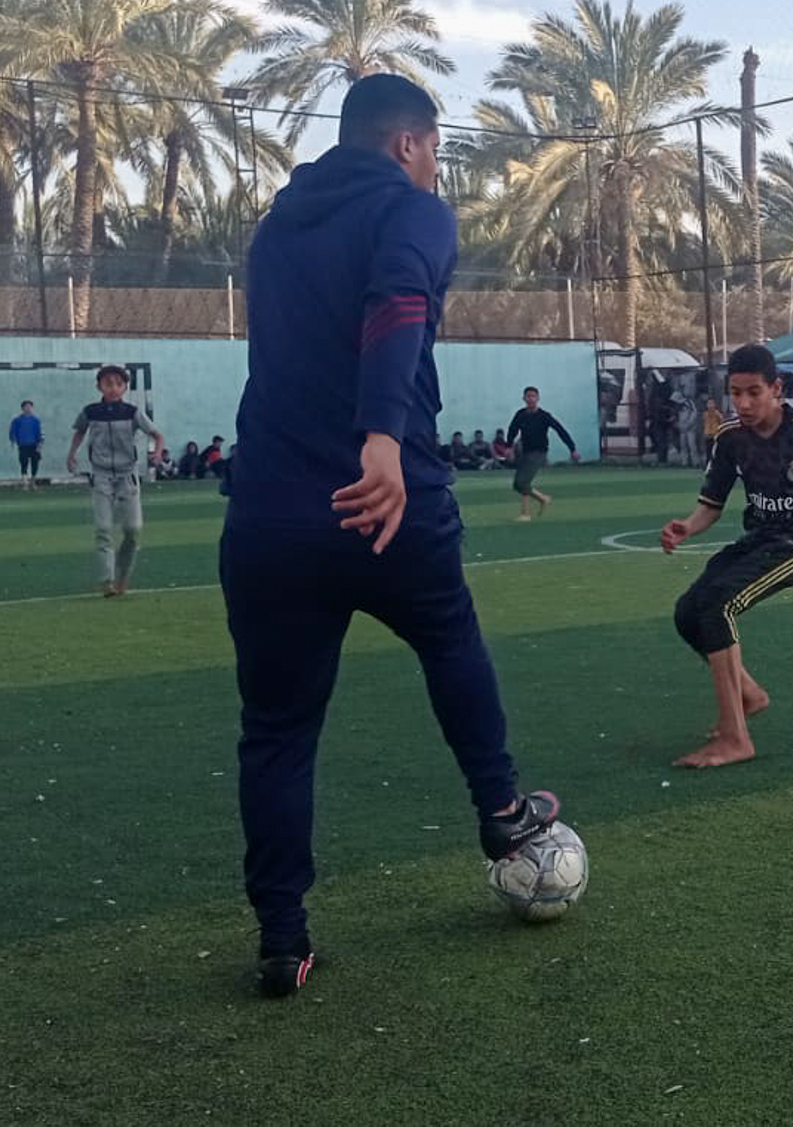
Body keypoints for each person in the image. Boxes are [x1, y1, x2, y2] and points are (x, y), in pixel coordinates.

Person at [221, 73, 558, 998]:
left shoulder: (277, 225)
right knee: (449, 636)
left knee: (277, 730)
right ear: (409, 144)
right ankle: (501, 810)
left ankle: (281, 937)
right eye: (435, 152)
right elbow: (397, 303)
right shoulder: (414, 210)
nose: (436, 168)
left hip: (269, 512)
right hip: (383, 497)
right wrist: (379, 438)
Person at [661, 343, 793, 769]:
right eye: (736, 393)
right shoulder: (730, 437)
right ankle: (749, 694)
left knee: (717, 605)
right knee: (687, 612)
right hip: (760, 538)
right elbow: (712, 502)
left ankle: (735, 739)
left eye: (753, 392)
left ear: (776, 388)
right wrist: (687, 526)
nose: (743, 403)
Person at [65, 365, 166, 598]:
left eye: (118, 384)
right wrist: (72, 454)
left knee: (132, 529)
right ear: (99, 386)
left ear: (124, 388)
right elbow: (79, 431)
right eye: (108, 383)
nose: (113, 388)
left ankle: (122, 575)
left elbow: (156, 434)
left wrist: (158, 452)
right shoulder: (90, 412)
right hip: (100, 476)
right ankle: (107, 581)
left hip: (127, 476)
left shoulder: (132, 412)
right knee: (102, 528)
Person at [505, 386, 580, 520]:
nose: (531, 399)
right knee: (519, 484)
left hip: (539, 452)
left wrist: (572, 448)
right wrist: (509, 446)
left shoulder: (544, 416)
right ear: (524, 398)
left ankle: (527, 513)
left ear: (538, 398)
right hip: (525, 452)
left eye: (533, 396)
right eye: (528, 396)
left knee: (522, 482)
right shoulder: (520, 414)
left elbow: (560, 430)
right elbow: (512, 430)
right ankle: (540, 500)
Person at [9, 400, 44, 489]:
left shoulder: (36, 420)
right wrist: (13, 440)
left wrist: (40, 443)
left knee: (35, 462)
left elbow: (40, 432)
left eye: (30, 406)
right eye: (26, 406)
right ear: (22, 408)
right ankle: (25, 481)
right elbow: (13, 431)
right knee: (24, 462)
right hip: (23, 445)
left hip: (34, 445)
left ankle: (33, 481)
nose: (28, 408)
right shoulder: (17, 420)